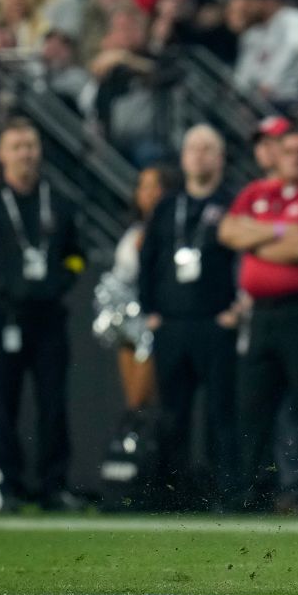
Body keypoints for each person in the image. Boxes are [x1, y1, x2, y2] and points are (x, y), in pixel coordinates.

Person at [218, 128, 298, 513]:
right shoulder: (257, 192)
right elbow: (226, 232)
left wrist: (255, 243)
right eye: (287, 150)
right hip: (262, 314)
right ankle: (248, 491)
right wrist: (279, 232)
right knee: (252, 405)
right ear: (275, 155)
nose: (294, 156)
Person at [0, 120, 87, 513]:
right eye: (17, 147)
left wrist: (61, 282)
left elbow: (77, 256)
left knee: (53, 402)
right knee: (2, 402)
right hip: (4, 317)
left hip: (48, 316)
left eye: (30, 146)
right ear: (2, 154)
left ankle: (54, 485)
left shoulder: (58, 199)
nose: (25, 154)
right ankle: (7, 484)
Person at [139, 125, 238, 508]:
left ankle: (226, 493)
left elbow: (243, 258)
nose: (199, 155)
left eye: (207, 149)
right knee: (171, 413)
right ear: (182, 158)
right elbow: (148, 260)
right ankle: (172, 493)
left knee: (221, 413)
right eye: (192, 148)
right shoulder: (167, 206)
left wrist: (237, 308)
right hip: (172, 323)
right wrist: (149, 310)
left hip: (216, 321)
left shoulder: (232, 202)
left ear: (220, 157)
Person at [110, 167, 163, 414]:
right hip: (126, 320)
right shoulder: (133, 230)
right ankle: (135, 446)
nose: (150, 193)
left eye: (156, 186)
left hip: (152, 321)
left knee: (144, 397)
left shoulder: (171, 231)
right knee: (133, 400)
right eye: (144, 186)